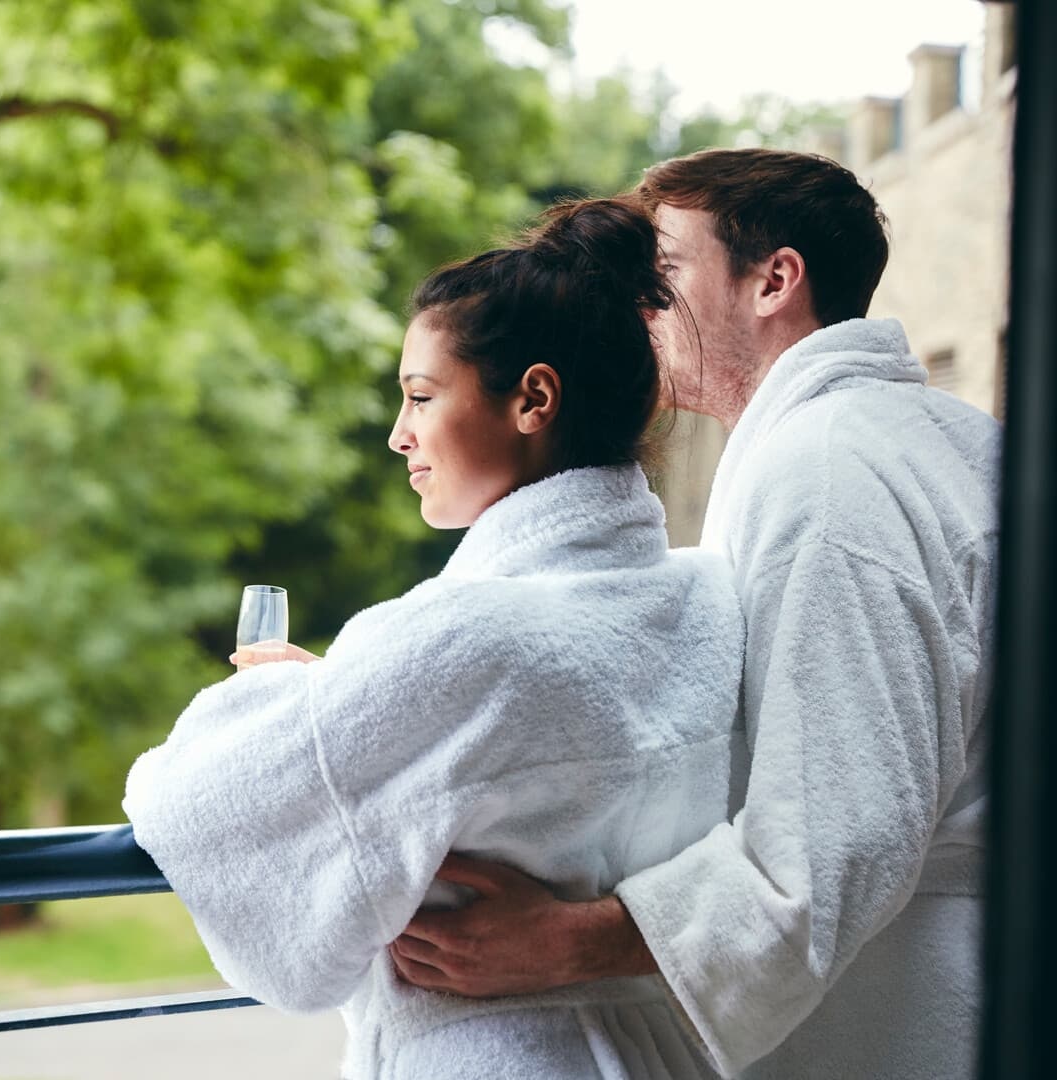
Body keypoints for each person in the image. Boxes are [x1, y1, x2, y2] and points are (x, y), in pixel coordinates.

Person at [389, 149, 1001, 1080]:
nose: (637, 304)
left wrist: (569, 940)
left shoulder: (831, 473)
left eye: (664, 273)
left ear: (773, 281)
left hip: (913, 1019)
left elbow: (834, 844)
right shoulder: (941, 442)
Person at [123, 199, 745, 1079]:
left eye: (420, 396)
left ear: (533, 398)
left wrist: (272, 699)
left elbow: (200, 803)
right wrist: (344, 690)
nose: (398, 435)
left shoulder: (466, 640)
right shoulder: (700, 599)